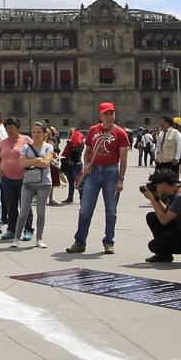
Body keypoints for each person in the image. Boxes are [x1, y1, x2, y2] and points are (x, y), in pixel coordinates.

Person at [67, 102, 129, 255]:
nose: (109, 117)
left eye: (111, 113)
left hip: (111, 172)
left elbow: (124, 158)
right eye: (106, 114)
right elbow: (87, 151)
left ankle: (109, 242)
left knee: (111, 210)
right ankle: (80, 242)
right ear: (100, 116)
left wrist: (121, 179)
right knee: (85, 208)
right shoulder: (93, 130)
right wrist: (86, 165)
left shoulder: (120, 133)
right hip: (93, 173)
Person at [141, 167, 181, 265]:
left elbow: (164, 220)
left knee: (154, 246)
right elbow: (166, 213)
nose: (155, 187)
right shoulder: (176, 189)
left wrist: (152, 199)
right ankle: (164, 255)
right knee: (152, 217)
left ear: (163, 185)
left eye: (156, 185)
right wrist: (156, 199)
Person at [16, 122, 55, 249]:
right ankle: (16, 239)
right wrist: (37, 160)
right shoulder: (26, 147)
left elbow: (46, 163)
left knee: (41, 212)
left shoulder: (48, 147)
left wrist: (30, 162)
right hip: (28, 183)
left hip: (44, 183)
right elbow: (21, 163)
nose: (36, 134)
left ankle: (39, 239)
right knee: (23, 212)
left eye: (39, 132)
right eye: (34, 132)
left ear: (44, 134)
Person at [0, 117, 31, 243]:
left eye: (12, 128)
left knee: (25, 206)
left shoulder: (26, 140)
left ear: (17, 128)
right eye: (7, 128)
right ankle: (12, 230)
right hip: (7, 180)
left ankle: (28, 230)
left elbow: (36, 152)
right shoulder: (3, 142)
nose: (9, 130)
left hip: (24, 179)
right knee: (11, 206)